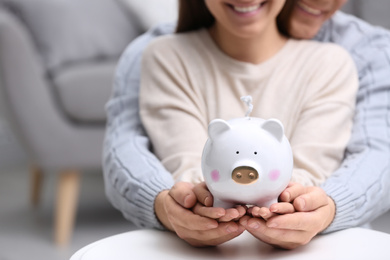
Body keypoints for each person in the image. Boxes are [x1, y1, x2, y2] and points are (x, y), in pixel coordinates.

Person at [103, 0, 390, 249]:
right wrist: (176, 206)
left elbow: (364, 162)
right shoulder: (162, 55)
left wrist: (315, 209)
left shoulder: (335, 61)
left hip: (318, 244)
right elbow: (168, 165)